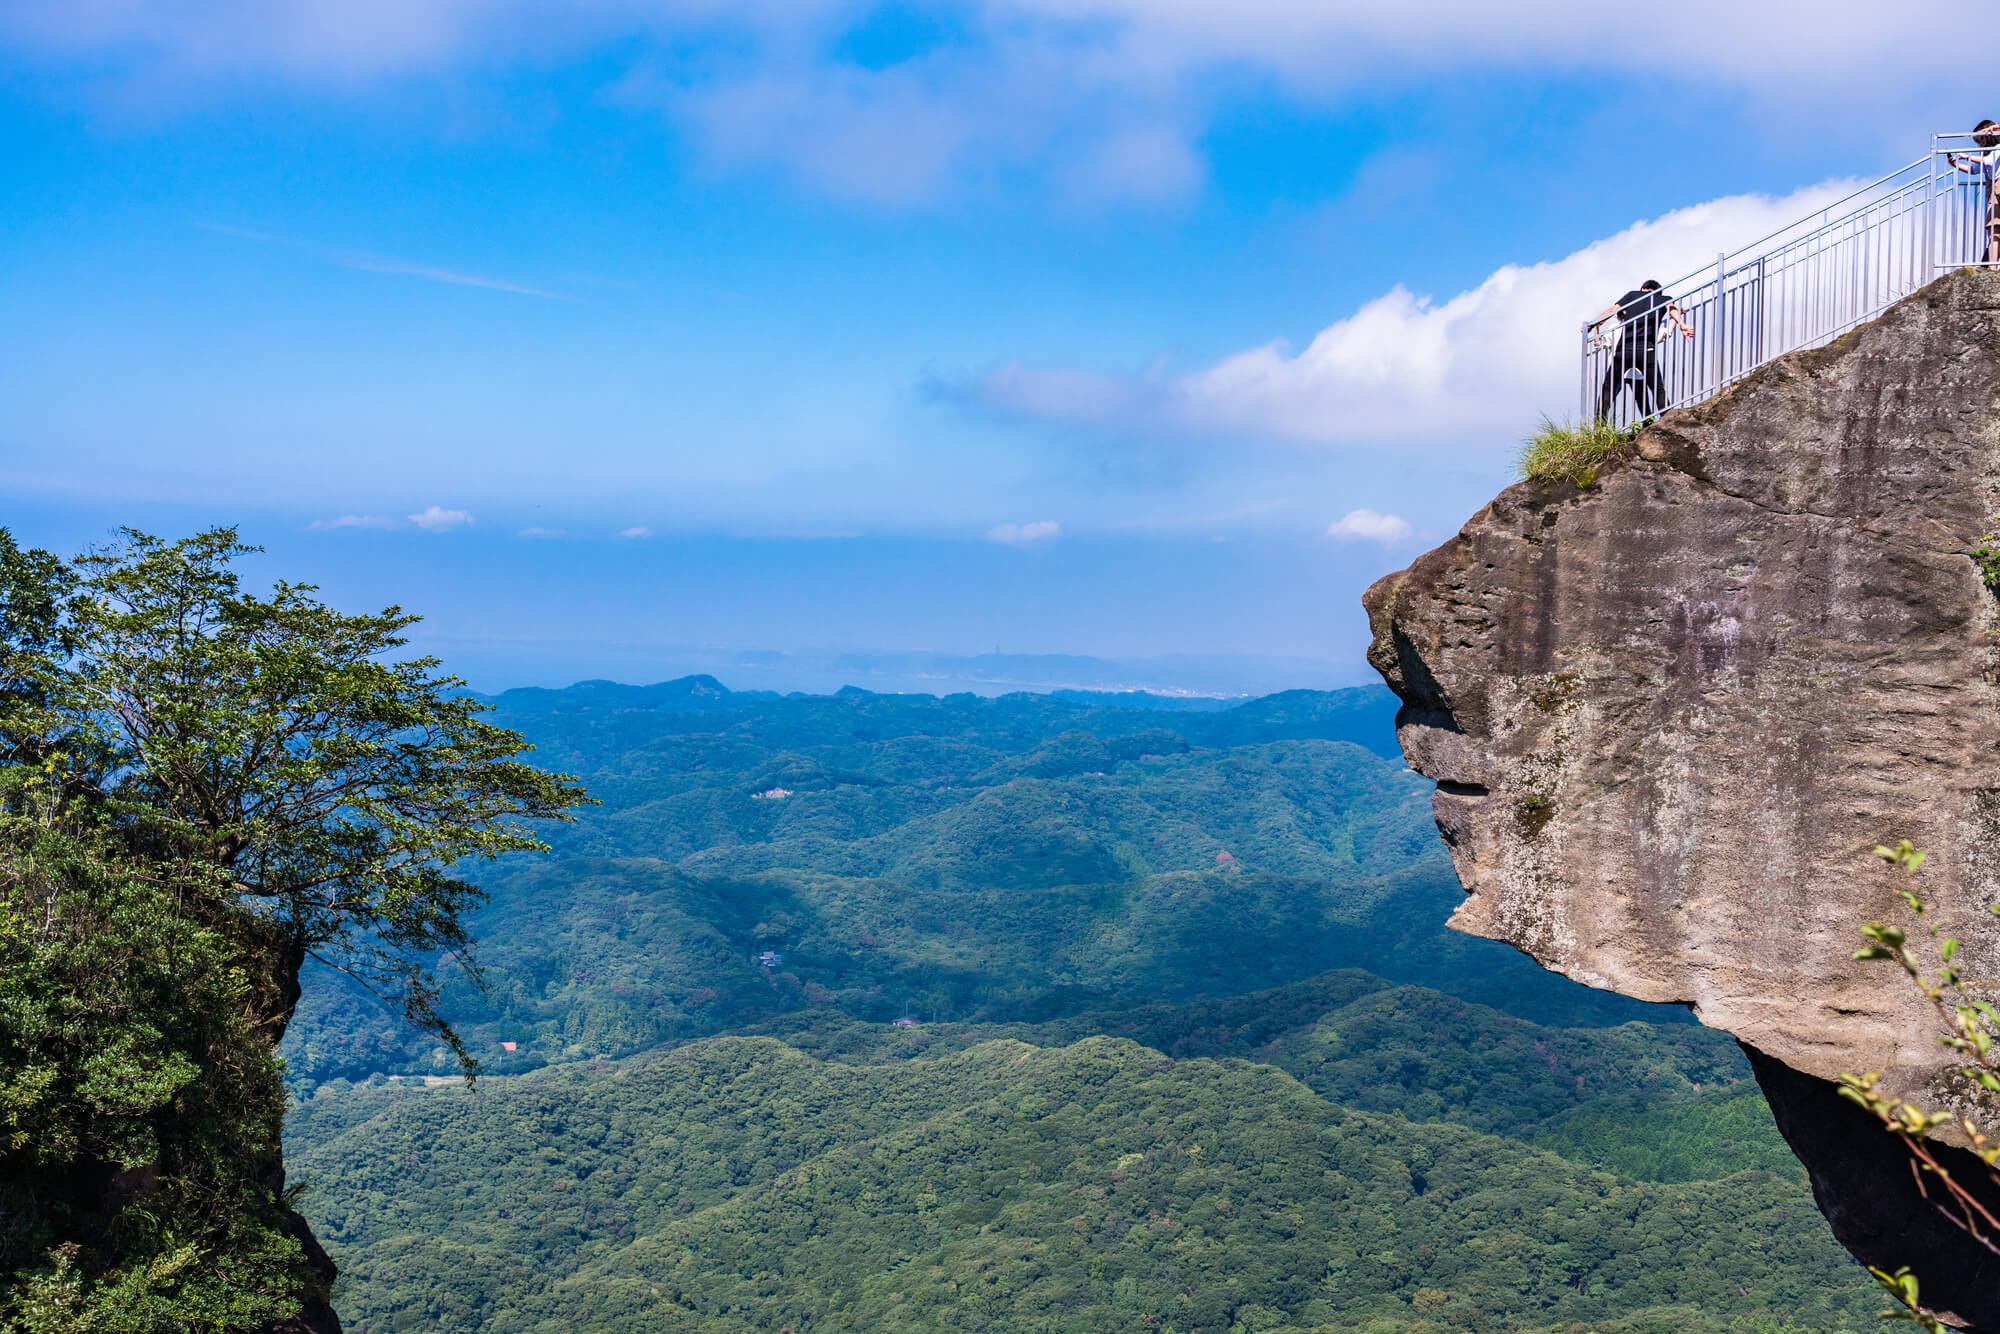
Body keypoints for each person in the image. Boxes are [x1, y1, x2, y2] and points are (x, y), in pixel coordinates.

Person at [1590, 279, 1693, 423]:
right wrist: (1682, 324)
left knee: (1608, 390)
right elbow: (1672, 310)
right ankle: (1669, 422)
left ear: (1642, 289)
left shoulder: (1632, 296)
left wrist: (1593, 324)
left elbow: (1612, 310)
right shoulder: (1663, 299)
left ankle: (1599, 428)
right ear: (1658, 291)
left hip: (1623, 351)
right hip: (1646, 351)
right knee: (1658, 390)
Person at [1946, 120, 2000, 264]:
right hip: (1993, 193)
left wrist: (1966, 156)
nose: (1978, 145)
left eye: (1979, 140)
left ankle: (1991, 265)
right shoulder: (1988, 153)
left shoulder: (1997, 148)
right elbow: (1974, 169)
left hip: (1997, 190)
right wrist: (1956, 164)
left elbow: (1987, 161)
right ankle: (1991, 265)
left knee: (1995, 229)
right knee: (1993, 229)